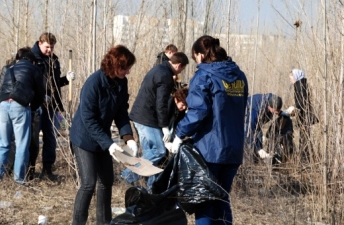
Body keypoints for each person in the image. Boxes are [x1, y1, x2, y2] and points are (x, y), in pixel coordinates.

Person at [170, 35, 248, 225]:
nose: (196, 61)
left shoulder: (204, 76)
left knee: (204, 201)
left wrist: (179, 135)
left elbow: (198, 112)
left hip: (209, 150)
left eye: (195, 56)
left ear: (200, 55)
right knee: (221, 200)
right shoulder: (239, 76)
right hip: (234, 149)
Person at [70, 45, 138, 225]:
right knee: (88, 183)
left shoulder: (121, 82)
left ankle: (104, 223)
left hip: (103, 140)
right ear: (114, 65)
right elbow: (88, 119)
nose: (128, 71)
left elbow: (121, 112)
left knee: (107, 181)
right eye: (125, 67)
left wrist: (128, 138)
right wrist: (109, 144)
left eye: (129, 67)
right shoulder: (94, 84)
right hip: (83, 138)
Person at [121, 52, 189, 190]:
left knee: (149, 152)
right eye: (182, 69)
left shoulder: (159, 69)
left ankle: (151, 188)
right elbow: (161, 103)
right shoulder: (165, 76)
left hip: (140, 116)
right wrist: (164, 126)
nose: (181, 72)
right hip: (147, 118)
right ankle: (127, 175)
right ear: (179, 65)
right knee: (159, 151)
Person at [0, 47, 44, 184]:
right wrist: (34, 107)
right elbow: (39, 93)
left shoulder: (10, 68)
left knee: (3, 143)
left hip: (3, 105)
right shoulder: (34, 69)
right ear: (32, 61)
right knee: (21, 145)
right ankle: (19, 179)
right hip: (20, 106)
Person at [31, 32, 76, 178]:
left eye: (52, 47)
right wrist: (40, 95)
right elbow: (30, 81)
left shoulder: (54, 61)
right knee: (33, 137)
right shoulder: (32, 59)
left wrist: (66, 80)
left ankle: (47, 169)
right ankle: (30, 167)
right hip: (36, 105)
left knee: (50, 137)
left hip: (52, 106)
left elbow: (55, 82)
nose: (50, 50)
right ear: (40, 43)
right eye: (47, 47)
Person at [286, 69, 318, 162]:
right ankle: (305, 157)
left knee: (304, 137)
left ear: (296, 76)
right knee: (304, 136)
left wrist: (294, 107)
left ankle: (305, 158)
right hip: (303, 115)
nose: (290, 79)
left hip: (305, 115)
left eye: (291, 77)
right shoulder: (299, 85)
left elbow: (303, 101)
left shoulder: (301, 86)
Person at [245, 93, 283, 161]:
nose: (276, 113)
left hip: (255, 123)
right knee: (249, 145)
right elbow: (250, 130)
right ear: (269, 106)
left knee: (259, 138)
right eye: (275, 111)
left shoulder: (273, 100)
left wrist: (286, 112)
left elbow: (277, 110)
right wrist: (259, 149)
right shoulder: (255, 110)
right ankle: (249, 163)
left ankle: (258, 158)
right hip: (245, 120)